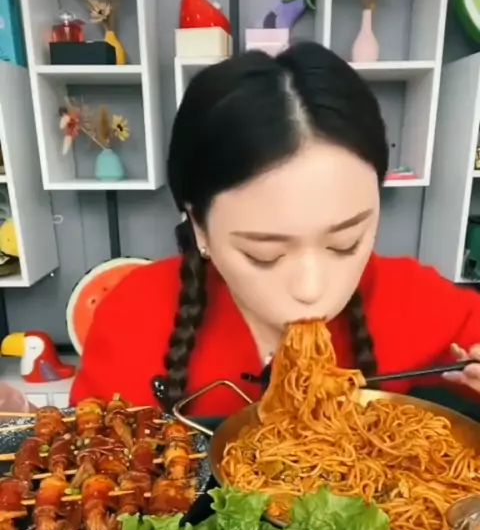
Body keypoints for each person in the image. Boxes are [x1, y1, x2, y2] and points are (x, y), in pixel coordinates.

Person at [3, 41, 480, 418]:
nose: (311, 289)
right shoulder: (133, 318)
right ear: (199, 226)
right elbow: (92, 455)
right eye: (264, 254)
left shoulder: (415, 300)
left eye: (345, 243)